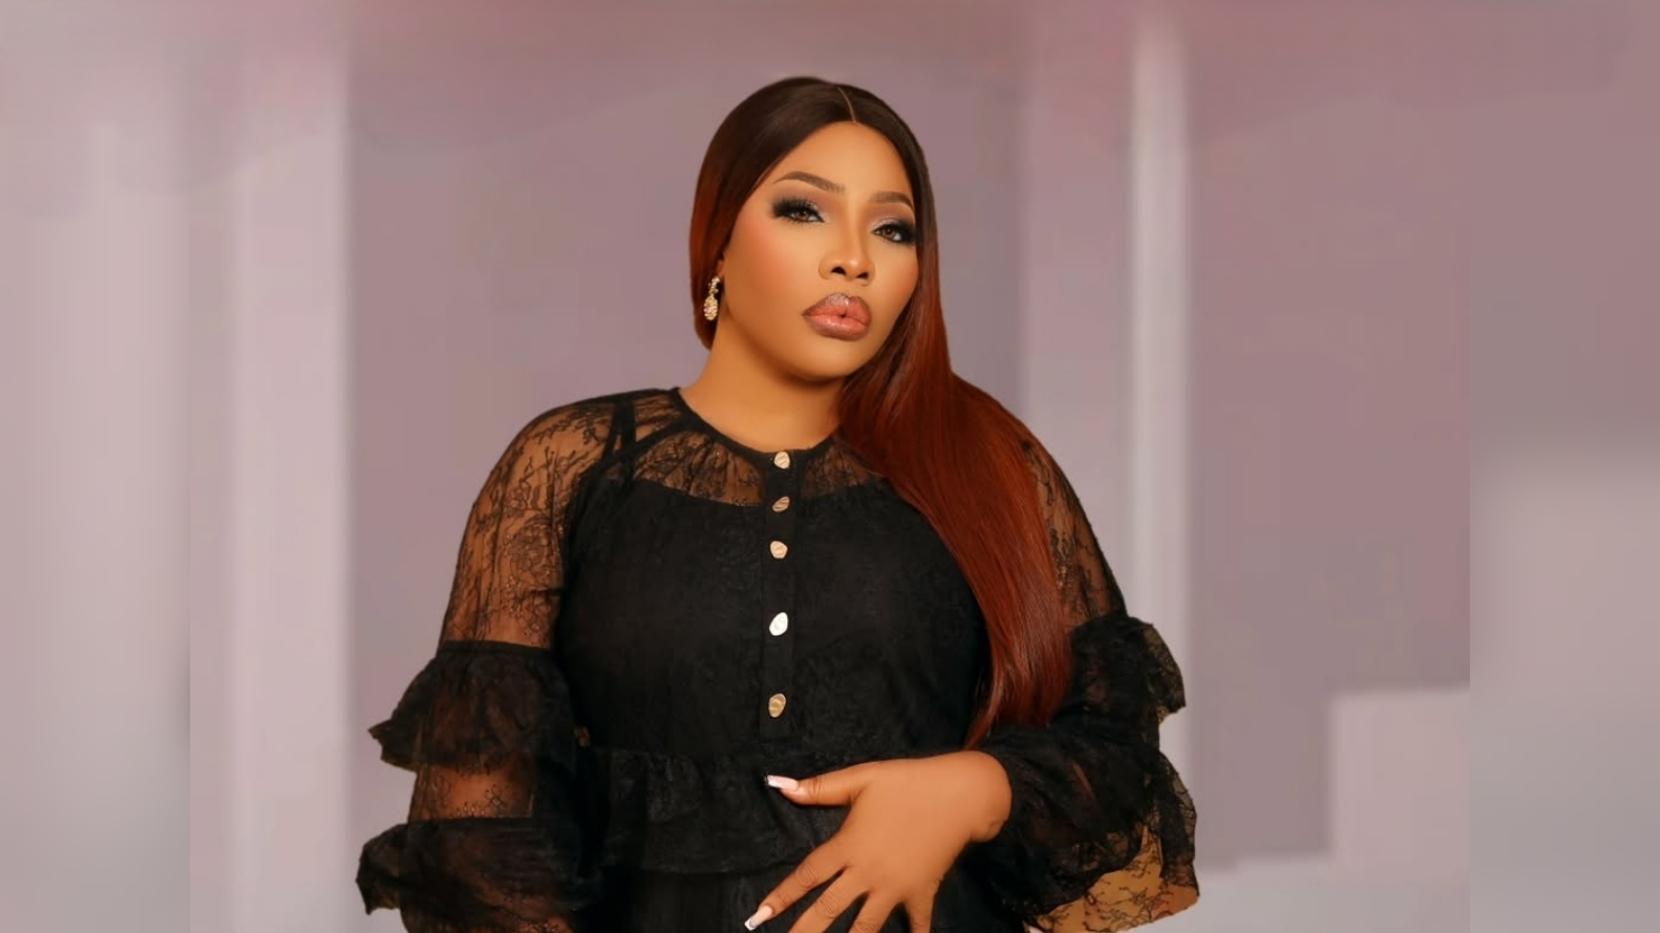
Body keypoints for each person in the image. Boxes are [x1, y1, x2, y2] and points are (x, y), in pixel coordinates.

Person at [355, 76, 1198, 933]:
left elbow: (1116, 755)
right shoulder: (572, 467)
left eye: (893, 229)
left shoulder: (990, 462)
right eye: (805, 211)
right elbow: (480, 840)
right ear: (717, 242)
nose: (854, 258)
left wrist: (972, 788)